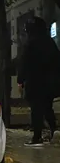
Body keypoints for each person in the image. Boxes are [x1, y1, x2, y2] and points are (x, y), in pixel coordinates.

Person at [17, 16, 60, 146]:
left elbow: (24, 63)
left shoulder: (30, 44)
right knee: (47, 107)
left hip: (35, 83)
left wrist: (20, 80)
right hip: (50, 83)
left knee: (36, 110)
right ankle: (54, 130)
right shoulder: (50, 43)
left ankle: (37, 137)